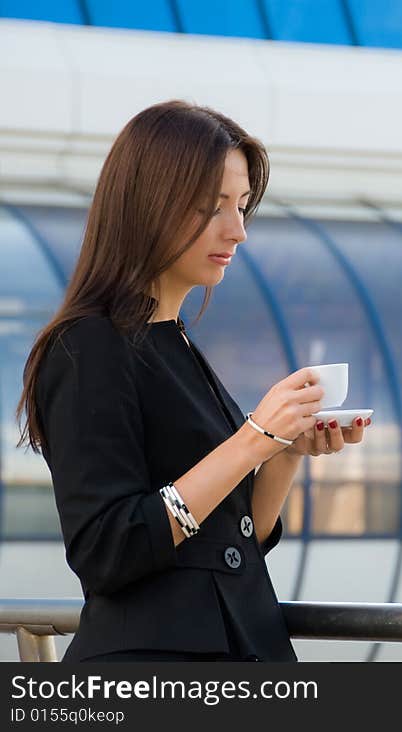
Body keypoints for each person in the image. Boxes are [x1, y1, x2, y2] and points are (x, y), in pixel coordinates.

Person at [15, 100, 370, 662]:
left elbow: (235, 539)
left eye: (243, 206)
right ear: (150, 204)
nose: (238, 231)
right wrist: (254, 436)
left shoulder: (173, 340)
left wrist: (285, 450)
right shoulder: (88, 345)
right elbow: (107, 549)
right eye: (213, 207)